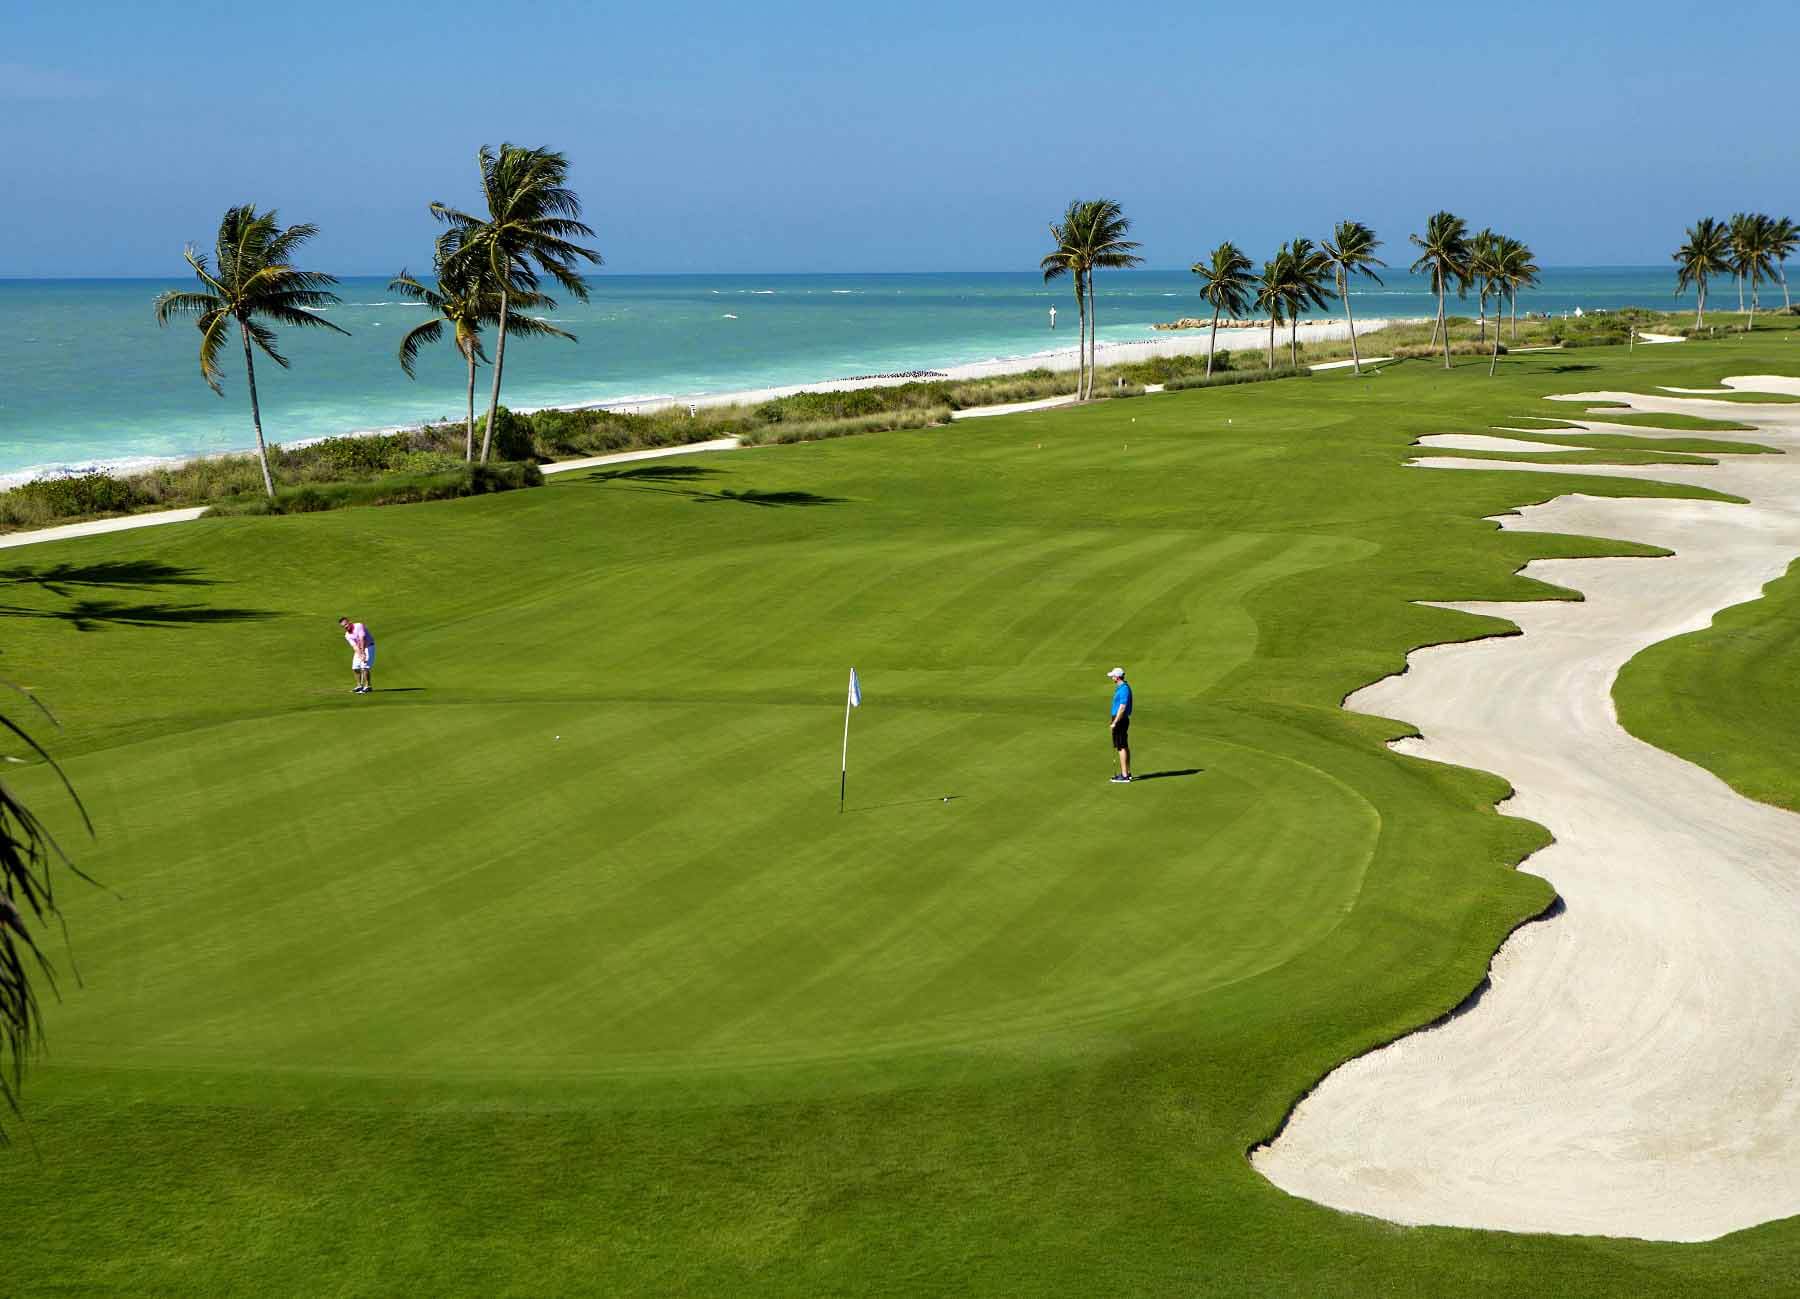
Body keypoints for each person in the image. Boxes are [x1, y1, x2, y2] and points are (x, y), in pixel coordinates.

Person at [1106, 667, 1132, 783]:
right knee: (1123, 745)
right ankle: (1127, 773)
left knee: (1121, 746)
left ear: (1117, 677)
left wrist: (1115, 722)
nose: (1111, 677)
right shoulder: (1121, 688)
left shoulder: (1124, 689)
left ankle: (1124, 775)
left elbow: (1122, 707)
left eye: (1113, 676)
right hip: (1119, 719)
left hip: (1120, 720)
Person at [340, 616, 375, 694]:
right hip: (359, 649)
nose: (345, 627)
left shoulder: (359, 626)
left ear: (349, 622)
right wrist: (360, 654)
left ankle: (368, 686)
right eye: (343, 626)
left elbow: (362, 639)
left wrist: (363, 653)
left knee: (365, 666)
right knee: (355, 667)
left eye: (346, 624)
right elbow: (354, 647)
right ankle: (359, 686)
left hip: (369, 646)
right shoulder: (347, 635)